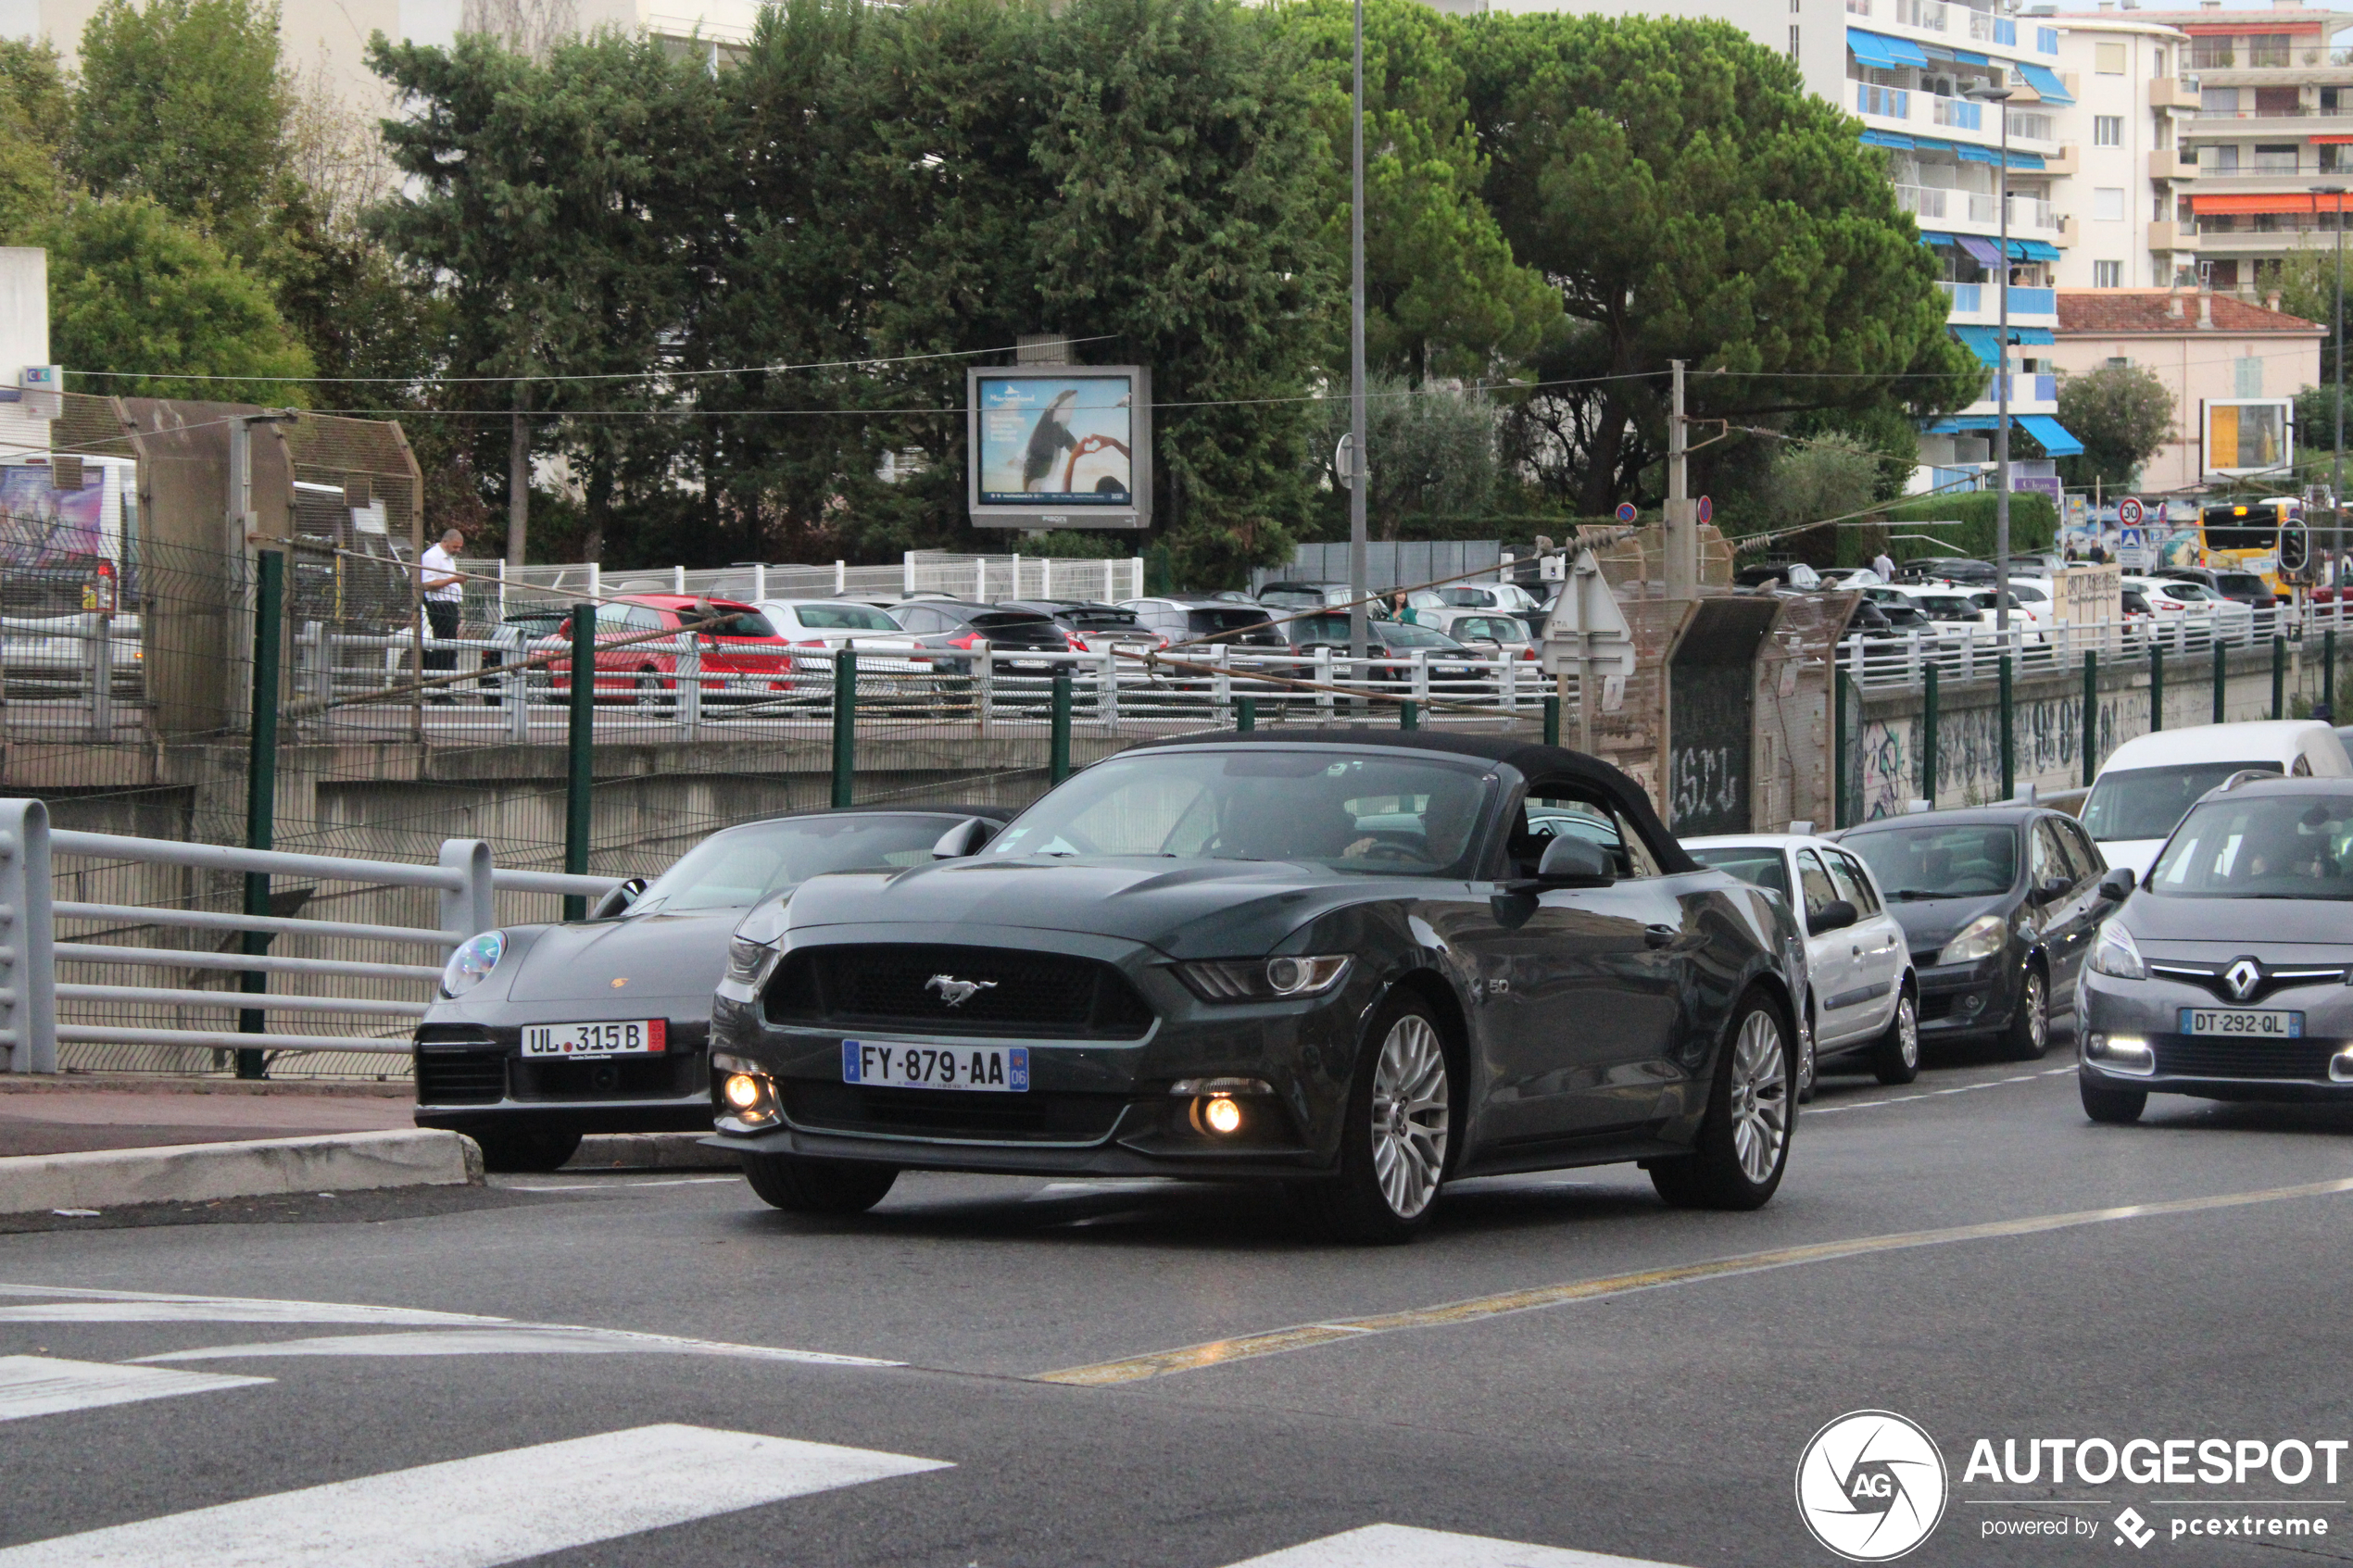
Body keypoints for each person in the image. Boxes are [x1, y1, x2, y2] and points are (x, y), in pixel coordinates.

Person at [419, 528, 466, 698]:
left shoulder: (448, 558)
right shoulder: (432, 556)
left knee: (449, 649)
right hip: (440, 606)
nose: (457, 550)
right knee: (444, 648)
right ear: (445, 542)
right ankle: (439, 693)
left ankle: (441, 690)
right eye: (455, 546)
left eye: (459, 547)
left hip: (449, 605)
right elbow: (428, 584)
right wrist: (453, 579)